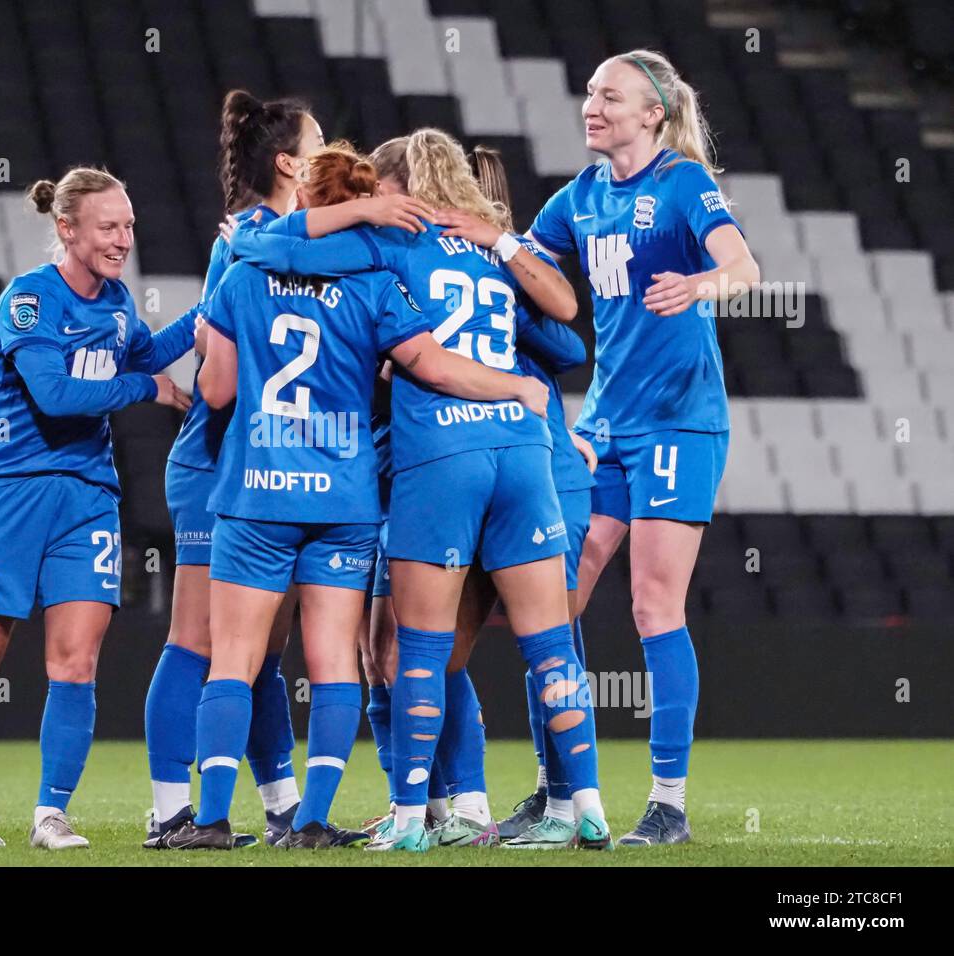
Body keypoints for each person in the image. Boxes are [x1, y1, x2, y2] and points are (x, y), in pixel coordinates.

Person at [228, 129, 610, 852]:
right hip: (522, 453)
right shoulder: (488, 250)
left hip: (440, 454)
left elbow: (269, 248)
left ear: (395, 189)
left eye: (378, 187)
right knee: (553, 646)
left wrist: (357, 218)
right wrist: (500, 241)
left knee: (418, 652)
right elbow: (565, 321)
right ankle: (586, 808)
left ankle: (412, 819)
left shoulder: (389, 245)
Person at [146, 90, 430, 847]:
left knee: (229, 655)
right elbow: (408, 367)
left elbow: (215, 385)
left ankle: (209, 814)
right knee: (318, 655)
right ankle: (300, 818)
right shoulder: (371, 269)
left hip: (251, 477)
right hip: (321, 482)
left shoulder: (244, 254)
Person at [523, 50, 758, 845]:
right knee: (551, 597)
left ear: (653, 113)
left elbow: (744, 267)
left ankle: (668, 804)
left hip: (679, 421)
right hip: (605, 425)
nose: (591, 105)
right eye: (589, 92)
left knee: (653, 604)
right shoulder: (578, 197)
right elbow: (527, 274)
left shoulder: (682, 183)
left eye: (609, 94)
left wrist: (698, 286)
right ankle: (559, 791)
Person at [0, 166, 194, 850]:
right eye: (109, 227)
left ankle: (51, 814)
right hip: (6, 496)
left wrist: (216, 307)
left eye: (129, 226)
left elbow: (151, 352)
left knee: (75, 663)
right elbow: (54, 395)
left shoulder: (115, 303)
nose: (122, 239)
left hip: (86, 501)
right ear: (66, 228)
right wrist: (146, 388)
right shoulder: (29, 301)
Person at [432, 145, 602, 848]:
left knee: (547, 646)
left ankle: (567, 803)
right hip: (491, 472)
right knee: (443, 655)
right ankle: (461, 805)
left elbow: (568, 347)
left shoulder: (502, 290)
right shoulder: (464, 281)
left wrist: (503, 284)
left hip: (539, 476)